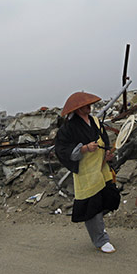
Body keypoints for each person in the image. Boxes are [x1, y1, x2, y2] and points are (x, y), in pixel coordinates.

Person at [54, 91, 120, 253]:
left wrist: (108, 154)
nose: (89, 107)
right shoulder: (68, 128)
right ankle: (100, 239)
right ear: (77, 108)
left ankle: (99, 228)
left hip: (101, 168)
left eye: (89, 104)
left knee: (110, 197)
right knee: (93, 206)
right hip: (86, 173)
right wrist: (83, 148)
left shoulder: (95, 121)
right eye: (85, 106)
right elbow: (61, 149)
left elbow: (104, 141)